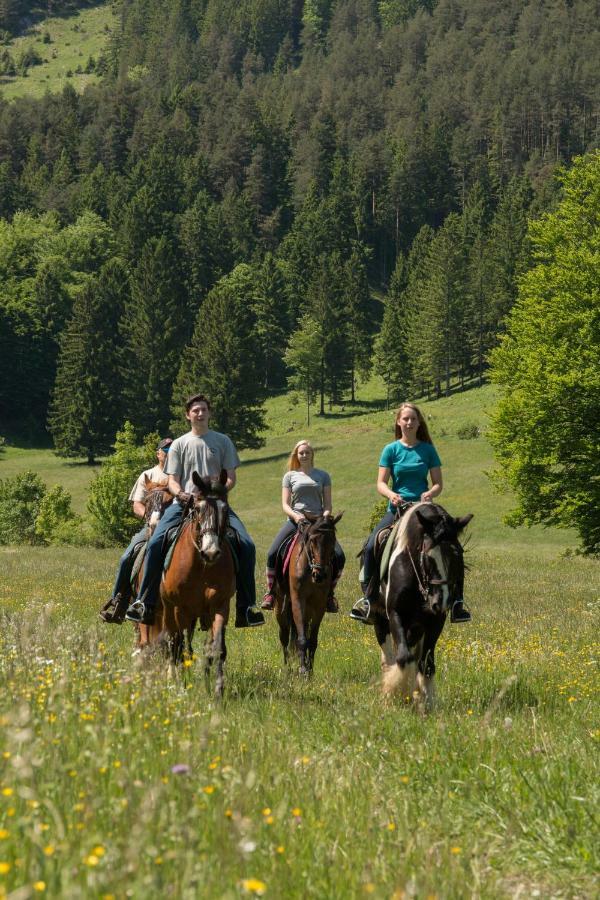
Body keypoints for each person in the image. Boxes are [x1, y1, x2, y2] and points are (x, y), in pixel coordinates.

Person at [124, 394, 265, 629]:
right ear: (188, 415)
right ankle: (144, 602)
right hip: (184, 505)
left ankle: (246, 607)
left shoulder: (223, 441)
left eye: (203, 409)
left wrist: (218, 491)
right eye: (195, 410)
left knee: (247, 545)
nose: (200, 413)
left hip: (217, 504)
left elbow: (231, 477)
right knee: (156, 541)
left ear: (209, 413)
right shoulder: (179, 444)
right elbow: (172, 480)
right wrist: (181, 494)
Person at [350, 402, 471, 624]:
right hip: (397, 510)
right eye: (405, 419)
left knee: (454, 547)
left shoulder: (428, 450)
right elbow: (380, 483)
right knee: (370, 545)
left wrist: (429, 493)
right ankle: (368, 600)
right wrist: (391, 495)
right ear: (398, 422)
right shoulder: (390, 449)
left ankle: (457, 603)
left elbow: (438, 484)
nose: (409, 422)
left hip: (424, 511)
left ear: (419, 422)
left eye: (413, 419)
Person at [261, 440, 345, 613]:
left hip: (318, 523)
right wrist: (296, 516)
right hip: (296, 521)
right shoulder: (290, 476)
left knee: (339, 555)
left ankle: (329, 594)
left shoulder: (323, 476)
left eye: (307, 452)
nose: (304, 455)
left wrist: (325, 517)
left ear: (312, 454)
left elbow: (328, 504)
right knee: (272, 552)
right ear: (296, 455)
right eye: (301, 453)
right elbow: (285, 504)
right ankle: (271, 592)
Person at [99, 437, 173, 624]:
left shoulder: (182, 475)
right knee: (127, 557)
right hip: (152, 525)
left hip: (175, 524)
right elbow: (137, 505)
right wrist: (148, 518)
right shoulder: (147, 475)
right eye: (165, 450)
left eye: (172, 450)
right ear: (158, 453)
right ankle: (119, 601)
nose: (169, 453)